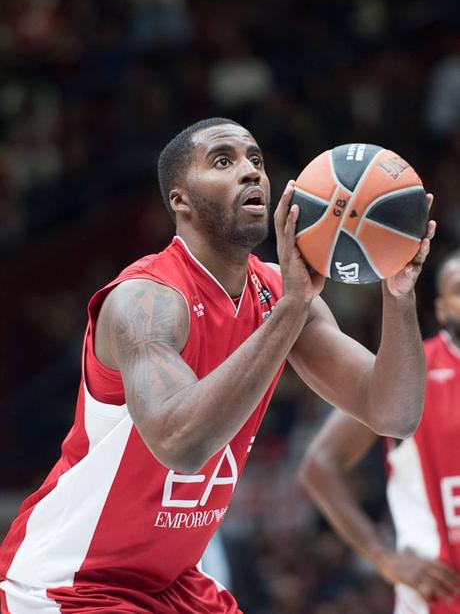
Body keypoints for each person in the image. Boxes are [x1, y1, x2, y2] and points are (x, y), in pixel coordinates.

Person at [0, 118, 435, 613]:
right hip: (70, 582)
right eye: (223, 161)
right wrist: (291, 309)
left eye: (256, 160)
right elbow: (180, 444)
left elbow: (393, 413)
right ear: (180, 200)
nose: (250, 172)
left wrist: (398, 294)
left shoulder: (279, 292)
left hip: (173, 584)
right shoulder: (145, 300)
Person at [299, 249, 460, 614]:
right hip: (439, 600)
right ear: (441, 310)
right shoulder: (412, 374)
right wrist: (383, 556)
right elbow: (319, 465)